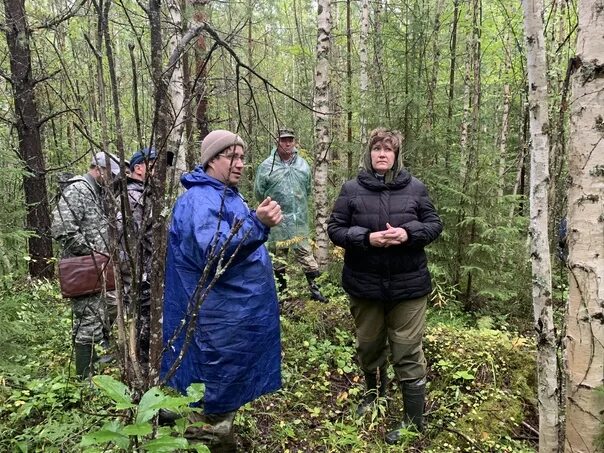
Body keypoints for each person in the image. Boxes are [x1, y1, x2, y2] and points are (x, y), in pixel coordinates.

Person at [161, 130, 283, 450]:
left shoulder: (227, 194)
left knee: (222, 391)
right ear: (212, 160)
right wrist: (258, 223)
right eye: (232, 157)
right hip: (214, 322)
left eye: (243, 157)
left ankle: (217, 436)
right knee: (212, 391)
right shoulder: (199, 200)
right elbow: (213, 253)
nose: (241, 164)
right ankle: (212, 442)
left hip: (232, 319)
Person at [327, 128, 442, 444]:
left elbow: (434, 226)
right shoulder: (351, 189)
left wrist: (408, 233)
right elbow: (335, 229)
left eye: (388, 149)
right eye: (376, 148)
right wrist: (366, 238)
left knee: (407, 349)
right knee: (368, 345)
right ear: (369, 153)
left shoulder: (416, 188)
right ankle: (374, 395)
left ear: (396, 155)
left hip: (408, 286)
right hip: (364, 285)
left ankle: (413, 422)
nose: (382, 153)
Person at [51, 151, 121, 379]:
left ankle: (94, 367)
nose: (113, 180)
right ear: (99, 169)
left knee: (96, 316)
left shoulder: (95, 191)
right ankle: (84, 378)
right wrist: (93, 253)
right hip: (84, 268)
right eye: (111, 174)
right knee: (87, 320)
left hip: (96, 268)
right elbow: (62, 229)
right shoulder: (78, 189)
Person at [254, 127, 327, 302]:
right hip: (276, 219)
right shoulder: (267, 166)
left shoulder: (303, 165)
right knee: (279, 258)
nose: (287, 143)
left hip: (298, 219)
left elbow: (307, 189)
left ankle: (315, 291)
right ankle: (282, 293)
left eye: (290, 140)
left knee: (306, 255)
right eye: (283, 139)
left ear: (294, 142)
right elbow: (259, 192)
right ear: (276, 142)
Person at [117, 147, 156, 366]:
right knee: (143, 322)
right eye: (153, 164)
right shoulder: (133, 197)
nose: (159, 170)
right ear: (138, 168)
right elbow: (133, 242)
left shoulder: (147, 194)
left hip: (149, 271)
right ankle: (142, 368)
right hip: (141, 275)